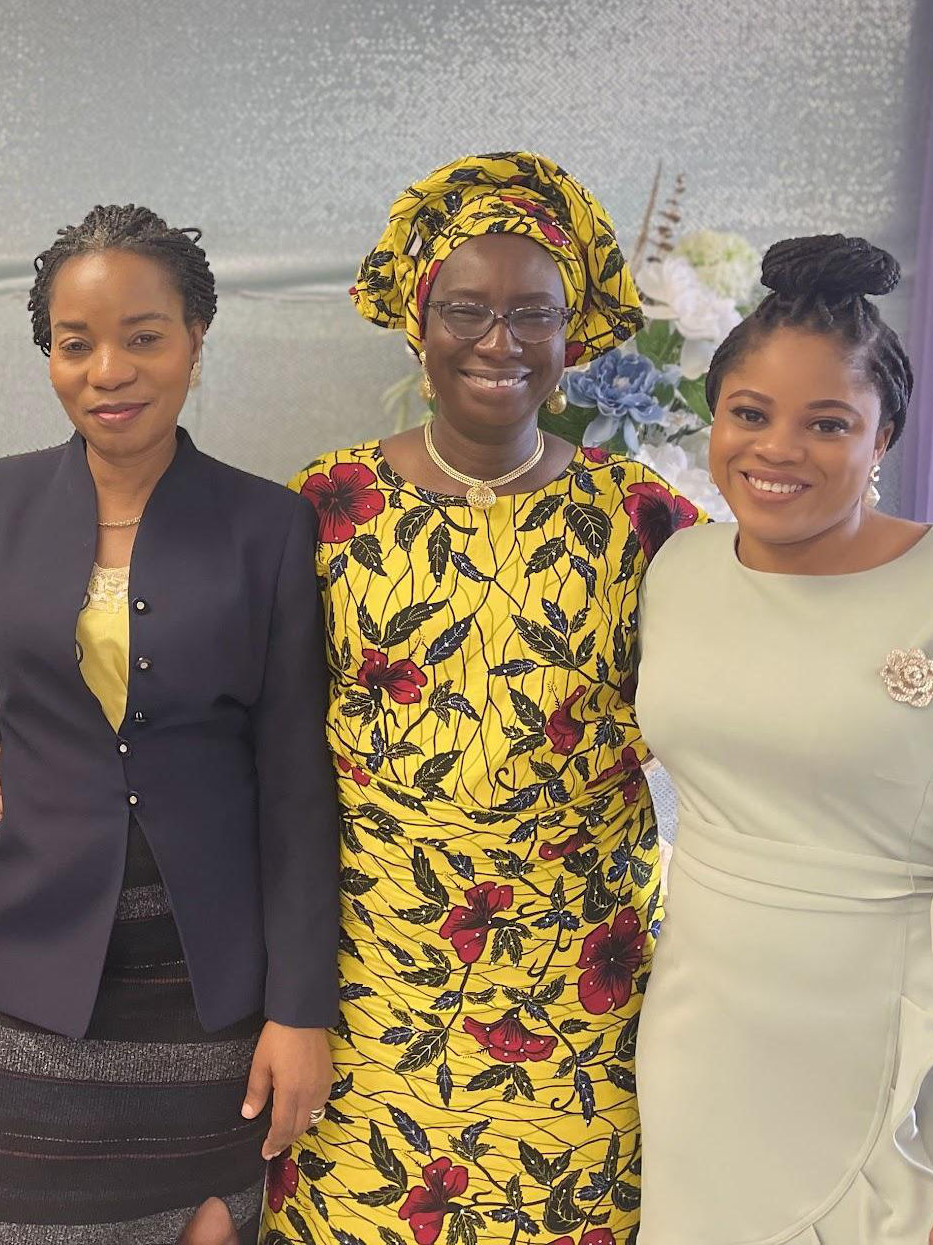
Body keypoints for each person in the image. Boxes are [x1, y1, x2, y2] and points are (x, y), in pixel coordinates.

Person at [634, 235, 933, 1245]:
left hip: (898, 1048)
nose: (773, 450)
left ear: (882, 436)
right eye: (747, 415)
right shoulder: (673, 566)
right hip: (700, 1046)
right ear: (712, 416)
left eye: (826, 424)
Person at [265, 152, 702, 1245]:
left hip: (580, 991)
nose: (498, 341)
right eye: (465, 308)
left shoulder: (640, 519)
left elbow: (735, 709)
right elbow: (253, 743)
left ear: (575, 330)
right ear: (417, 322)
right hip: (373, 986)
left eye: (530, 314)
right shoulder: (326, 505)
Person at [0, 204, 339, 1245]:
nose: (109, 370)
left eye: (143, 336)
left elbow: (291, 785)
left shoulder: (266, 525)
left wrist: (299, 1008)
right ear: (46, 353)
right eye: (75, 343)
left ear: (196, 337)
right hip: (30, 972)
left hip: (210, 986)